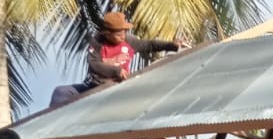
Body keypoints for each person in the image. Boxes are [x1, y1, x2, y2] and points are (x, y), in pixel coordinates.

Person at [49, 11, 184, 107]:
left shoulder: (129, 41)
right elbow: (94, 64)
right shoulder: (98, 42)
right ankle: (53, 129)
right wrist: (116, 70)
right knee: (60, 92)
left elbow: (150, 44)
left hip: (118, 87)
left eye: (124, 32)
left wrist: (171, 45)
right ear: (107, 34)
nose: (123, 36)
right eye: (119, 34)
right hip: (96, 86)